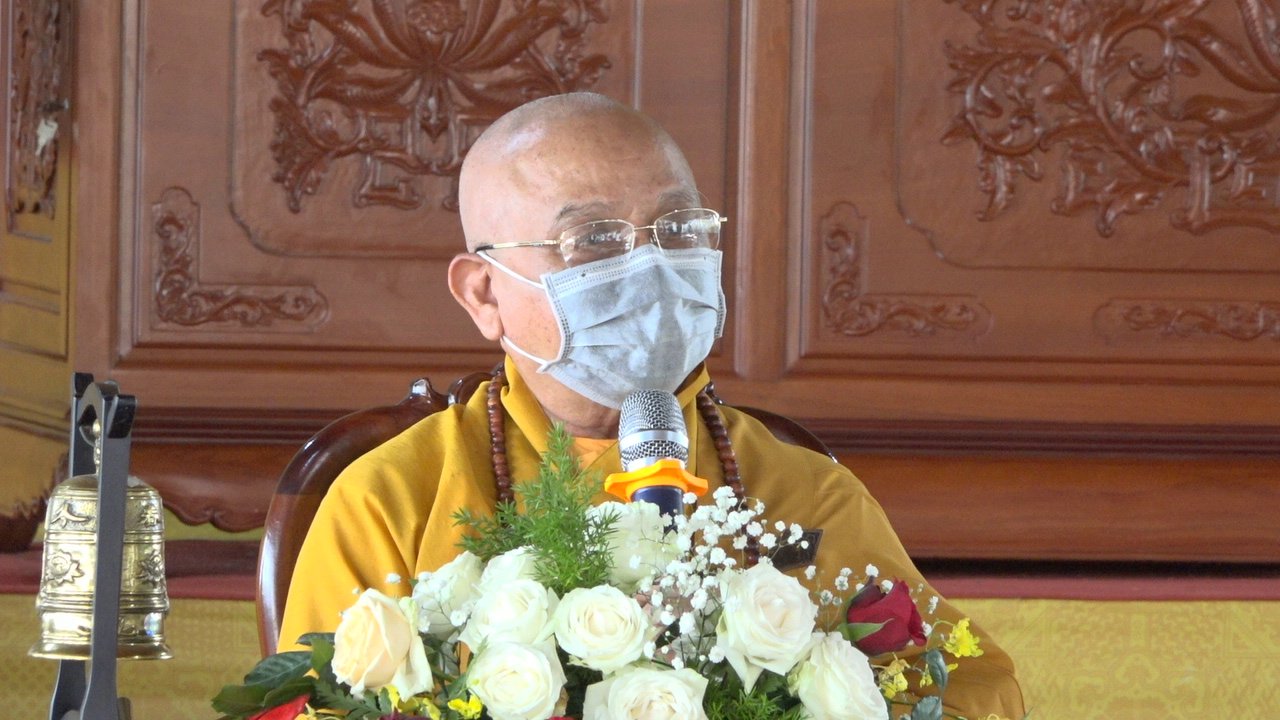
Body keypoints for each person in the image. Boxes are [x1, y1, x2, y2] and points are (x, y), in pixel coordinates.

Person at [280, 92, 1024, 718]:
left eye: (678, 229)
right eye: (593, 238)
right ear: (484, 293)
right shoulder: (391, 502)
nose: (652, 269)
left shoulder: (804, 494)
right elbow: (311, 706)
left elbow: (971, 688)